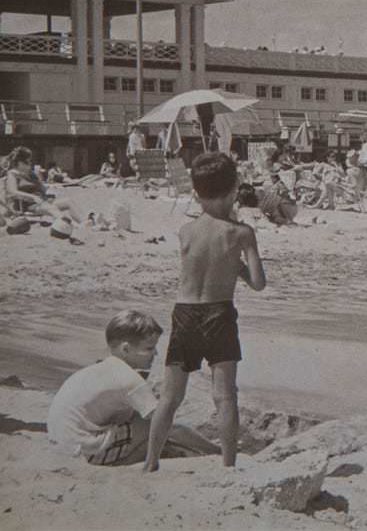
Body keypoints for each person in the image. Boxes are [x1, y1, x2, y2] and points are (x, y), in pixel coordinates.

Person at [146, 152, 266, 471]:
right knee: (225, 395)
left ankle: (150, 462)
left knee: (170, 397)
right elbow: (258, 283)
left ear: (196, 192)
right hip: (219, 314)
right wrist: (238, 266)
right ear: (235, 187)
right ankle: (228, 465)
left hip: (184, 312)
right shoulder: (241, 232)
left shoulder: (186, 231)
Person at [46, 311, 219, 466]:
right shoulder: (129, 379)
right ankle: (126, 462)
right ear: (126, 349)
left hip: (61, 443)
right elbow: (170, 426)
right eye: (149, 348)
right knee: (156, 427)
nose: (156, 354)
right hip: (84, 452)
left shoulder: (104, 367)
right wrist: (216, 450)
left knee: (142, 422)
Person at [4, 146, 91, 243]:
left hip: (42, 201)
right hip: (28, 204)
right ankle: (72, 225)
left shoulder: (31, 174)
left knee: (68, 201)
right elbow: (13, 191)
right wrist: (33, 197)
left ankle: (84, 222)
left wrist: (38, 179)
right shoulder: (13, 174)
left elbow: (43, 189)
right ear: (20, 163)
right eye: (28, 162)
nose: (30, 164)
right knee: (51, 208)